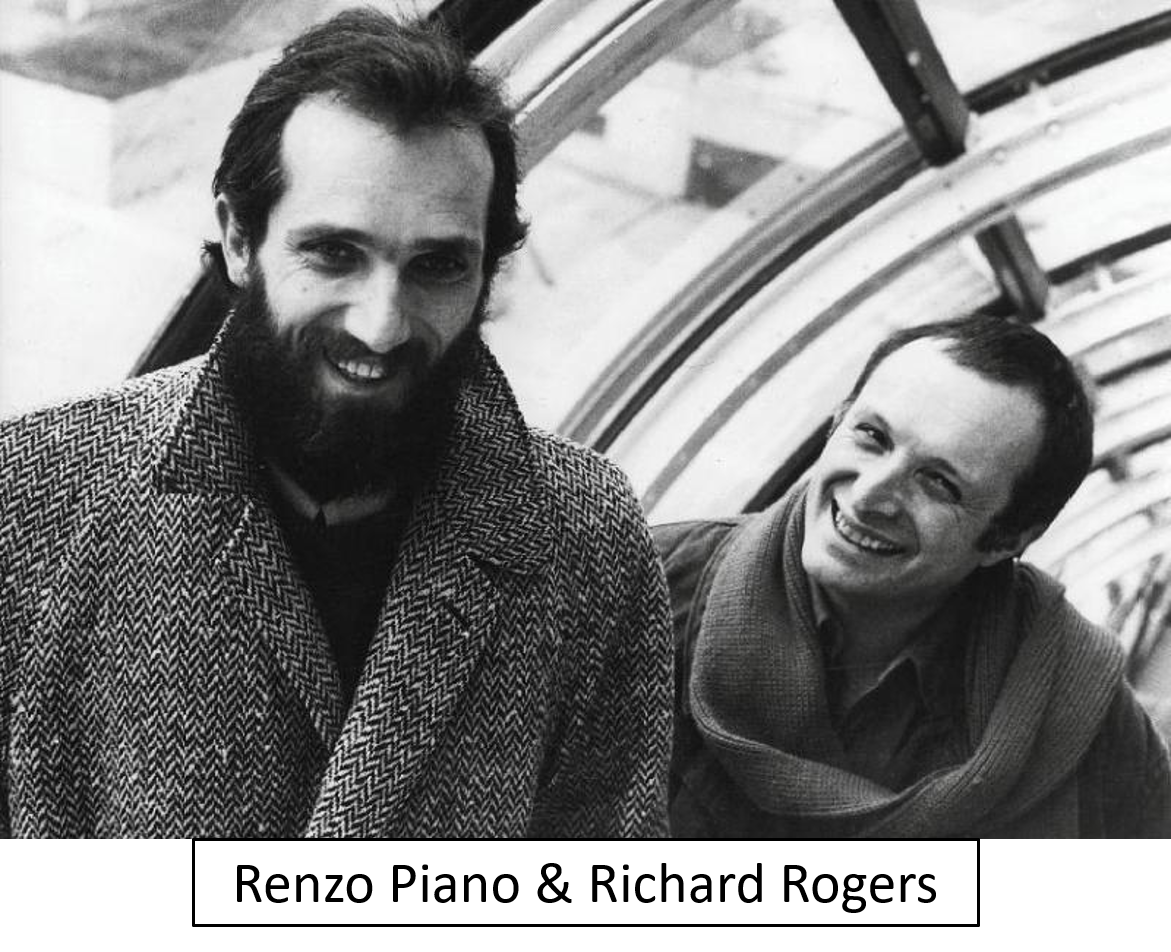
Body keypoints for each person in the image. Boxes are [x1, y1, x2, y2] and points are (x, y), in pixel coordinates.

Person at [0, 10, 672, 838]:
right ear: (240, 239)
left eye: (436, 266)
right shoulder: (34, 497)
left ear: (486, 274)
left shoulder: (586, 539)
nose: (381, 326)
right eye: (333, 253)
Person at [658, 316, 1171, 838]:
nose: (867, 497)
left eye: (938, 483)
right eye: (872, 436)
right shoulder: (658, 581)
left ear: (1008, 539)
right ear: (836, 422)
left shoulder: (1076, 710)